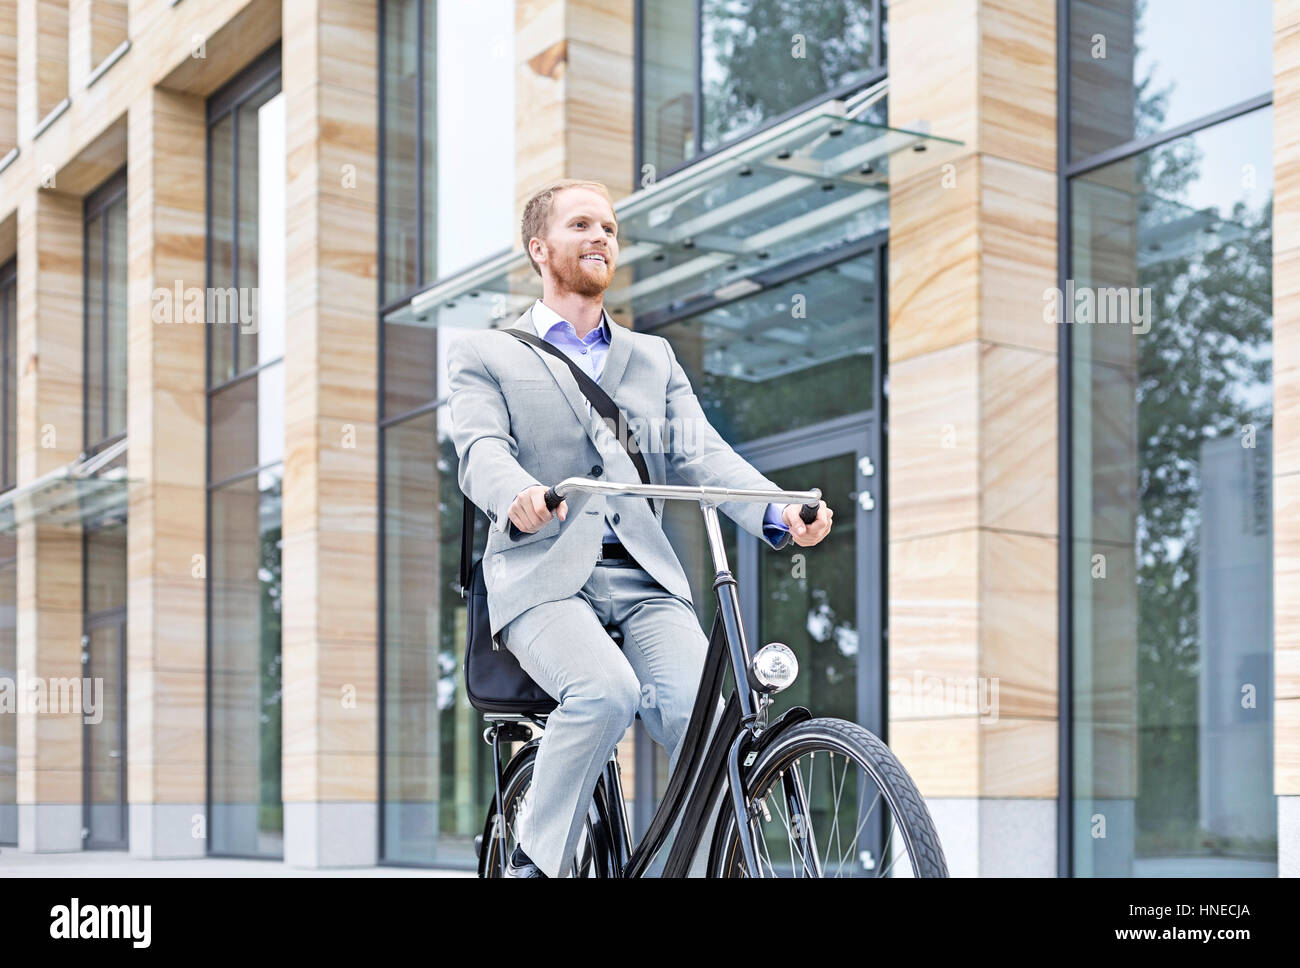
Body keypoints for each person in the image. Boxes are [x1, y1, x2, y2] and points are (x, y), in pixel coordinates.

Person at [446, 178, 833, 878]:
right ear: (540, 248)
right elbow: (481, 454)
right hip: (542, 574)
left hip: (643, 576)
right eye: (582, 225)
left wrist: (779, 509)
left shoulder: (651, 357)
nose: (602, 237)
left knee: (707, 726)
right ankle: (535, 861)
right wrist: (519, 495)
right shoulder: (486, 353)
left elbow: (702, 453)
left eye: (611, 228)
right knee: (605, 692)